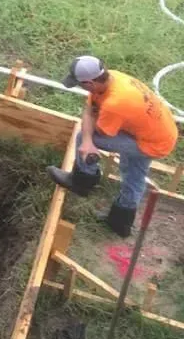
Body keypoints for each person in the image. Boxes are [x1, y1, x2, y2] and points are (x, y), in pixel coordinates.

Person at [47, 56, 179, 237]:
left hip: (153, 142)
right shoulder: (113, 78)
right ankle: (120, 222)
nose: (81, 88)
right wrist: (88, 139)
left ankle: (82, 181)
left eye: (80, 84)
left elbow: (97, 130)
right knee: (132, 171)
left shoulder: (114, 104)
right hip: (160, 132)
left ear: (90, 83)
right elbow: (90, 110)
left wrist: (87, 142)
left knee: (86, 138)